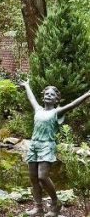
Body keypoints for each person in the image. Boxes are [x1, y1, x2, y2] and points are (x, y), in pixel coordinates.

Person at [19, 80, 90, 216]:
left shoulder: (57, 112)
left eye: (52, 95)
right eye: (47, 93)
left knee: (42, 177)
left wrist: (87, 94)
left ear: (56, 99)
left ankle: (56, 204)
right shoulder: (38, 109)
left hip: (47, 145)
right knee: (33, 178)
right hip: (34, 145)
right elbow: (32, 98)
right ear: (43, 96)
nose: (49, 95)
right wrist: (27, 85)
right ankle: (38, 207)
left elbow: (72, 104)